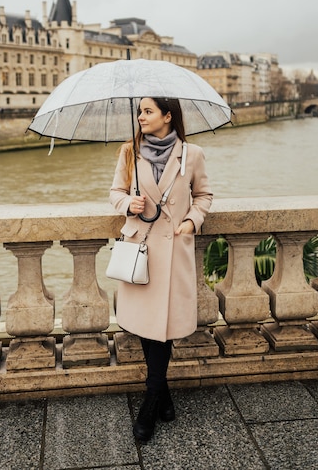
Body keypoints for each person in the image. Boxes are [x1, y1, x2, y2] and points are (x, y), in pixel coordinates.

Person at [109, 97, 213, 442]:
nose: (141, 116)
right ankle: (163, 397)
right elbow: (114, 193)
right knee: (145, 325)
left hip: (173, 251)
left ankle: (149, 405)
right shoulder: (129, 152)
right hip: (141, 247)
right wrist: (129, 203)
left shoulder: (191, 154)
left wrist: (192, 221)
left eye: (148, 111)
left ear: (168, 116)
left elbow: (204, 195)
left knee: (163, 327)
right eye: (139, 111)